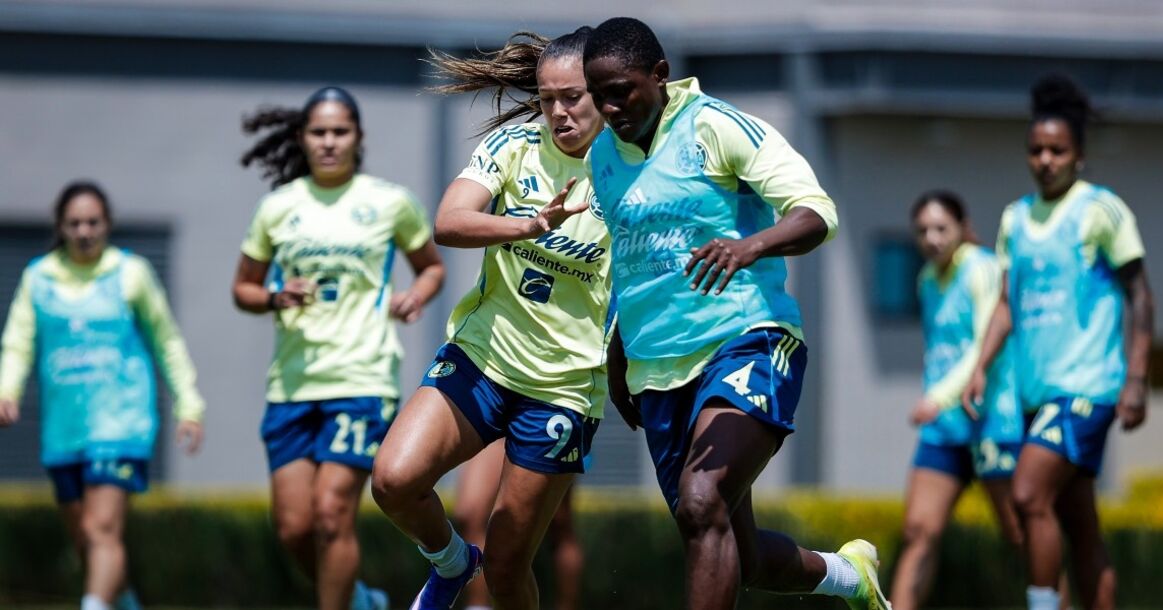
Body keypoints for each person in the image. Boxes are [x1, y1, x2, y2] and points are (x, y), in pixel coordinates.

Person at [583, 17, 889, 610]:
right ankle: (850, 576)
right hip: (659, 372)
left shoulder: (716, 127)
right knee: (734, 553)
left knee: (702, 501)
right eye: (600, 96)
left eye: (621, 91)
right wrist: (617, 357)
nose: (611, 107)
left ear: (660, 76)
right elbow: (628, 262)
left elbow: (815, 212)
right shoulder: (602, 157)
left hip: (749, 340)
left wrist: (749, 246)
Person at [370, 28, 610, 610]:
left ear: (603, 92)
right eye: (548, 97)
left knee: (508, 567)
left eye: (572, 96)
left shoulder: (632, 171)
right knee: (393, 481)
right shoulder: (514, 146)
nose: (558, 111)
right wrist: (528, 225)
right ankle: (452, 564)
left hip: (563, 389)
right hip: (482, 358)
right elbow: (449, 221)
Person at [234, 86, 445, 610]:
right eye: (319, 132)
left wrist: (414, 295)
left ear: (358, 137)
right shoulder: (278, 208)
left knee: (332, 514)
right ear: (303, 138)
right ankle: (361, 600)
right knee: (294, 530)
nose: (329, 142)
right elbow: (243, 288)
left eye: (340, 131)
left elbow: (432, 267)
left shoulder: (389, 202)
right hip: (292, 384)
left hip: (361, 379)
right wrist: (275, 297)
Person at [963, 74, 1154, 610]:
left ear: (1079, 156)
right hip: (1035, 394)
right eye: (1036, 150)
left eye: (1057, 150)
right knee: (1080, 526)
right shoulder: (1015, 219)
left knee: (1026, 495)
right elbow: (1006, 304)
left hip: (1088, 388)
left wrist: (1136, 381)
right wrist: (981, 366)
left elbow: (1141, 296)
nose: (1046, 159)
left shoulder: (1100, 211)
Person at [0, 181, 206, 610]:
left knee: (101, 528)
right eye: (74, 222)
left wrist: (188, 403)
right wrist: (7, 389)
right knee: (85, 539)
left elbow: (166, 339)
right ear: (60, 226)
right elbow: (18, 341)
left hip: (121, 424)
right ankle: (123, 601)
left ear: (108, 224)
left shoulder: (130, 274)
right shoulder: (38, 278)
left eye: (93, 221)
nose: (84, 230)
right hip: (64, 430)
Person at [890, 191, 1026, 609]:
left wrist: (939, 396)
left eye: (941, 228)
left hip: (993, 421)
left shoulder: (981, 268)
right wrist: (939, 403)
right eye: (922, 231)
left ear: (963, 227)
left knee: (1023, 535)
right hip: (945, 428)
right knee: (918, 531)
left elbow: (989, 339)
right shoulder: (927, 280)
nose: (931, 238)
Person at [453, 441, 584, 610]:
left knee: (560, 525)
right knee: (470, 514)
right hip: (498, 427)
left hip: (546, 423)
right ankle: (478, 606)